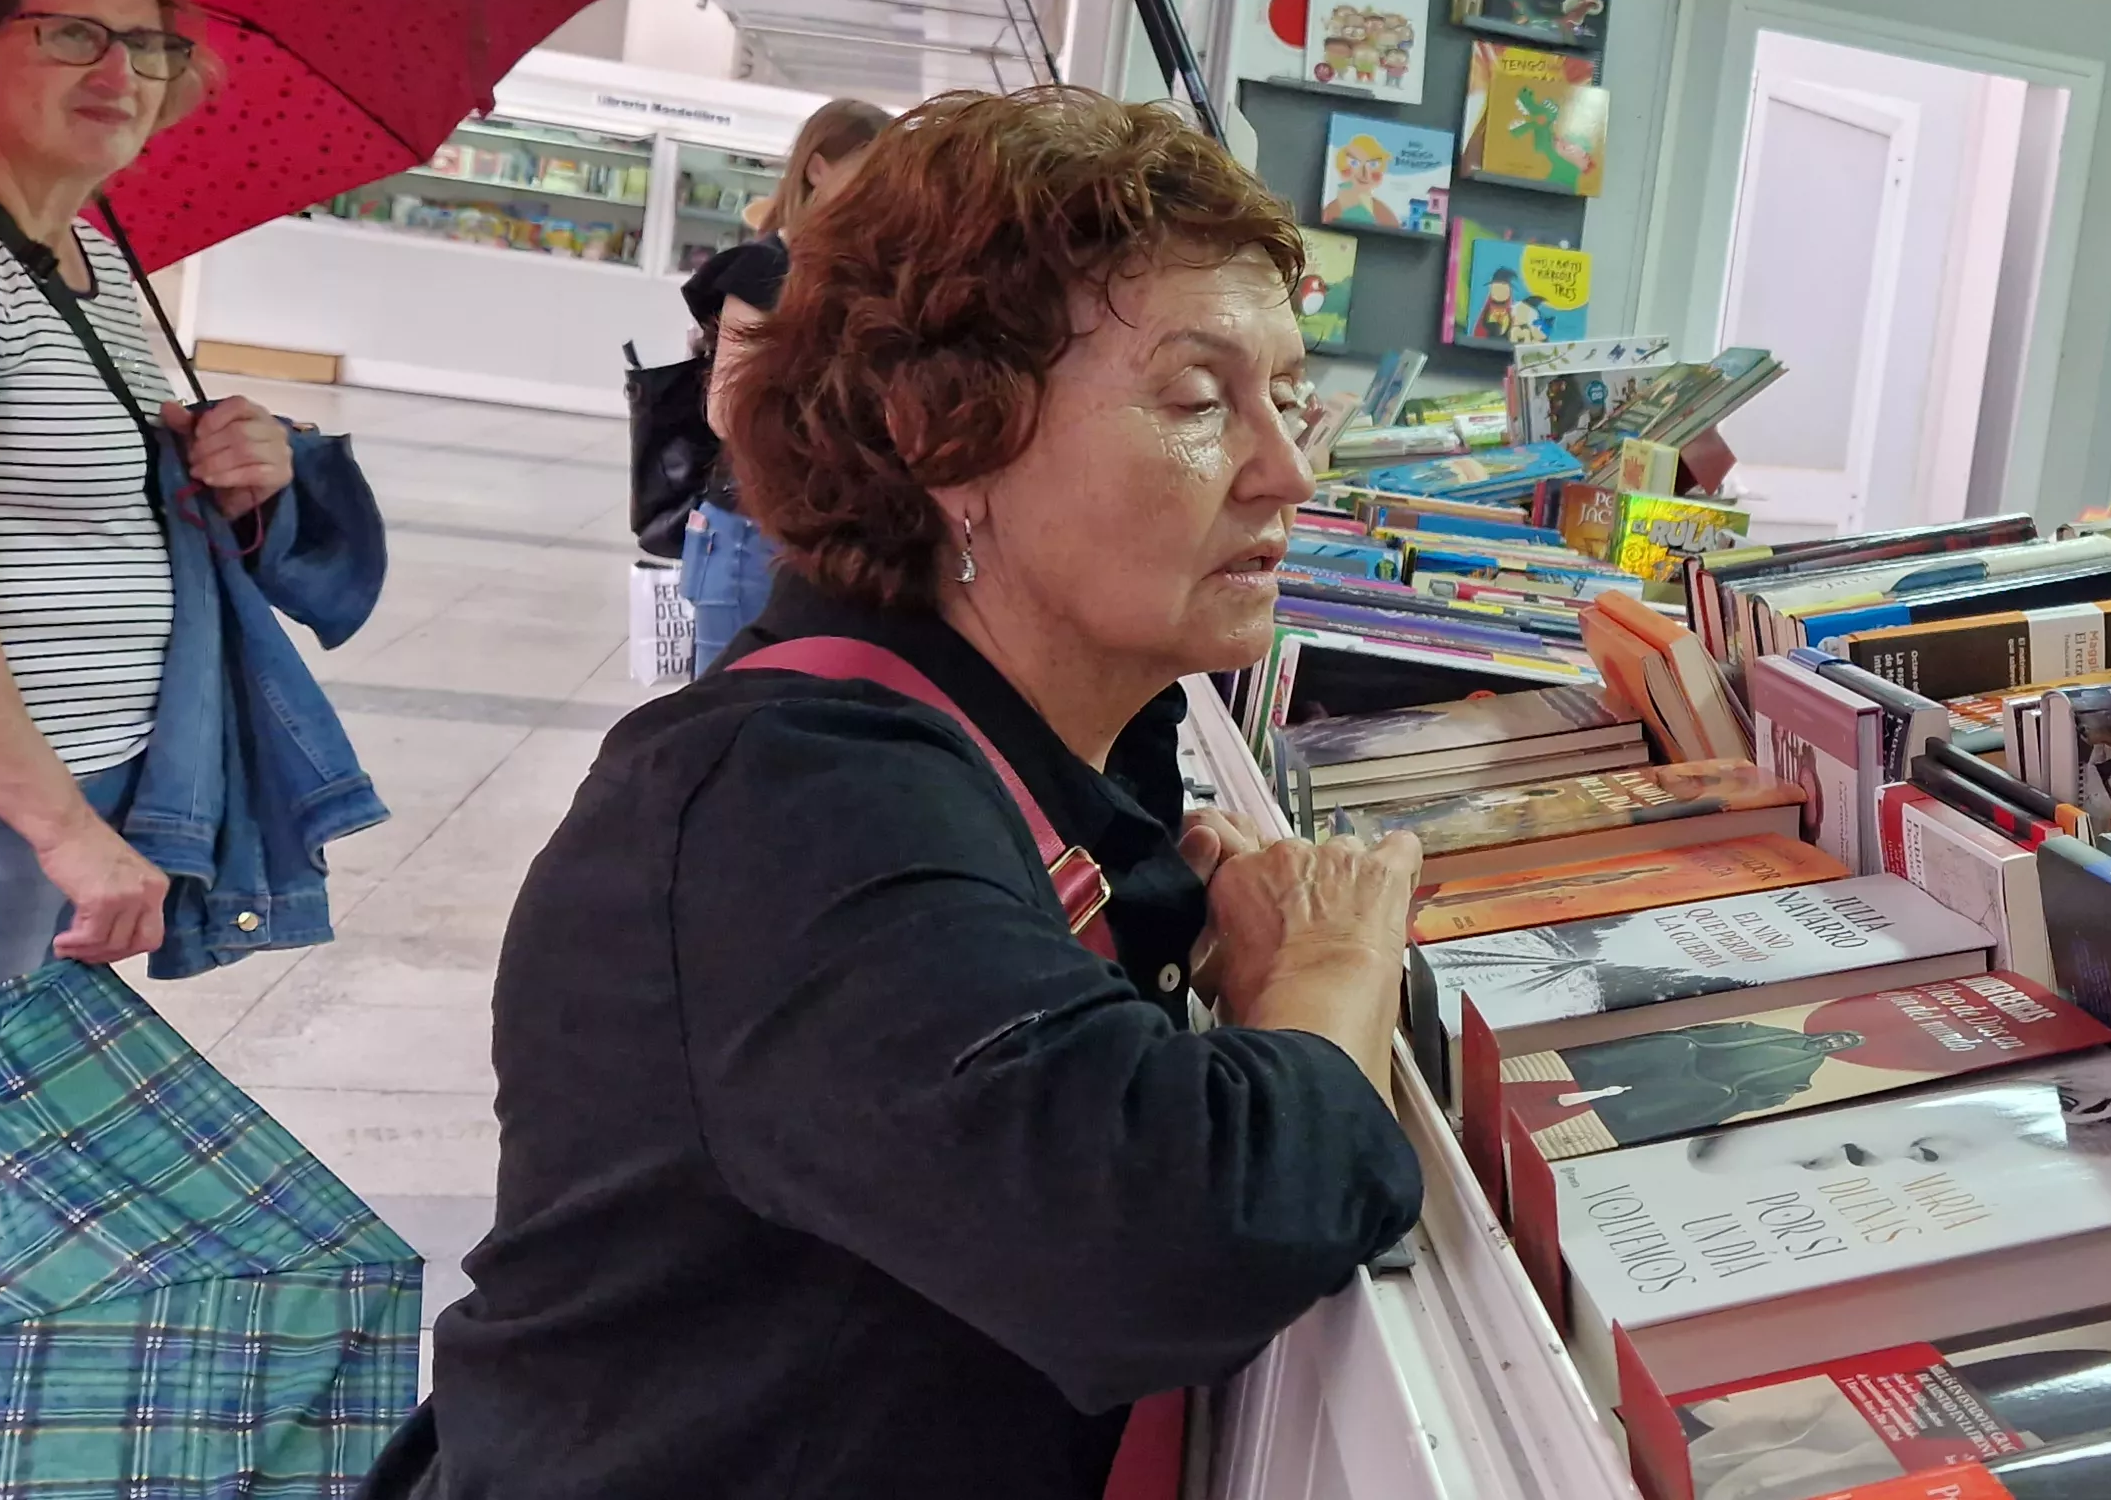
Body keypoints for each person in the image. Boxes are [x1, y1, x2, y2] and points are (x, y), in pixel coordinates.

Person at [371, 88, 1423, 1497]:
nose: (1289, 469)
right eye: (1198, 400)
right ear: (950, 440)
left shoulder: (1051, 740)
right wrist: (1333, 974)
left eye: (1290, 397)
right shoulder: (787, 802)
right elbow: (1178, 1235)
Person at [0, 0, 282, 1002]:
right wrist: (60, 832)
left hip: (78, 783)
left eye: (148, 46)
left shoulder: (80, 251)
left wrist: (223, 459)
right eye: (73, 35)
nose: (121, 71)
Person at [676, 95, 888, 664]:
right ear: (818, 167)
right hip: (748, 525)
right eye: (868, 168)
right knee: (731, 712)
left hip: (807, 528)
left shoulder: (844, 274)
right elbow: (726, 409)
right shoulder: (766, 269)